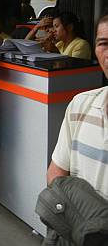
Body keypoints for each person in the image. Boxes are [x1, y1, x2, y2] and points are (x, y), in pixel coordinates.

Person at [46, 12, 108, 199]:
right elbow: (56, 174)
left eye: (57, 26)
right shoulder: (80, 106)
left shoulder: (80, 45)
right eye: (104, 44)